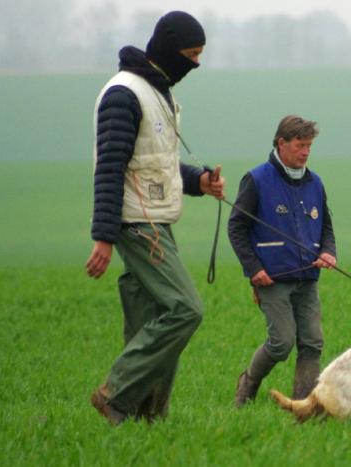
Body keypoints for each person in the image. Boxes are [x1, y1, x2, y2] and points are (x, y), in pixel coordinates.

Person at [85, 11, 225, 425]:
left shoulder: (155, 91)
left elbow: (156, 164)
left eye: (200, 54)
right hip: (137, 224)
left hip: (154, 219)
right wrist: (104, 237)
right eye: (191, 54)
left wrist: (199, 181)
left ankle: (147, 422)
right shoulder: (124, 94)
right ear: (168, 48)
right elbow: (110, 166)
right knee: (185, 310)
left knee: (151, 322)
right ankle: (116, 393)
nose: (195, 64)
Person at [228, 115, 337, 407]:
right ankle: (248, 383)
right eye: (300, 146)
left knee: (312, 342)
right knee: (282, 343)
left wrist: (328, 251)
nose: (305, 153)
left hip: (308, 278)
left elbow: (326, 225)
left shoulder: (315, 182)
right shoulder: (257, 179)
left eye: (309, 147)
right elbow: (236, 227)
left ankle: (303, 406)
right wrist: (253, 269)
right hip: (271, 278)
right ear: (281, 143)